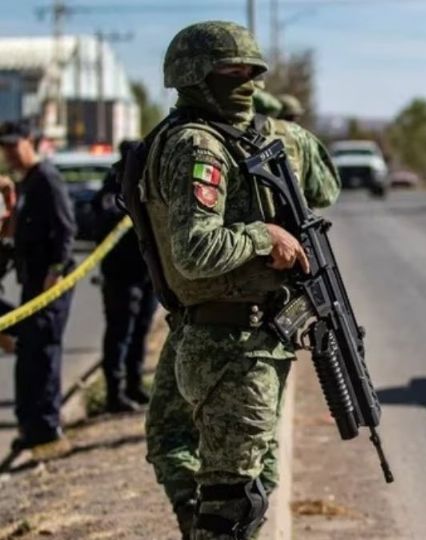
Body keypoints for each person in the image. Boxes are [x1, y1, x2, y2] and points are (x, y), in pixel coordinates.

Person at [141, 21, 340, 539]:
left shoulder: (245, 137)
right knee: (231, 503)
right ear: (194, 76)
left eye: (254, 71)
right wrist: (261, 235)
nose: (248, 81)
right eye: (233, 71)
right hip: (227, 343)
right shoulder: (197, 145)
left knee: (241, 487)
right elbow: (195, 250)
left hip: (242, 338)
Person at [0, 120, 77, 460]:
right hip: (31, 279)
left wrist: (56, 271)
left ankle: (46, 430)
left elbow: (65, 228)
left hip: (50, 281)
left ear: (30, 141)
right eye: (4, 148)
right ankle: (29, 428)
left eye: (14, 146)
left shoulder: (47, 178)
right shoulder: (27, 182)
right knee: (29, 354)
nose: (9, 154)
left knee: (44, 352)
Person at [93, 141, 158, 413]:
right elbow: (107, 216)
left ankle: (134, 384)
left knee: (141, 331)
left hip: (146, 274)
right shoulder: (113, 187)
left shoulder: (146, 183)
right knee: (120, 334)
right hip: (121, 275)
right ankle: (114, 393)